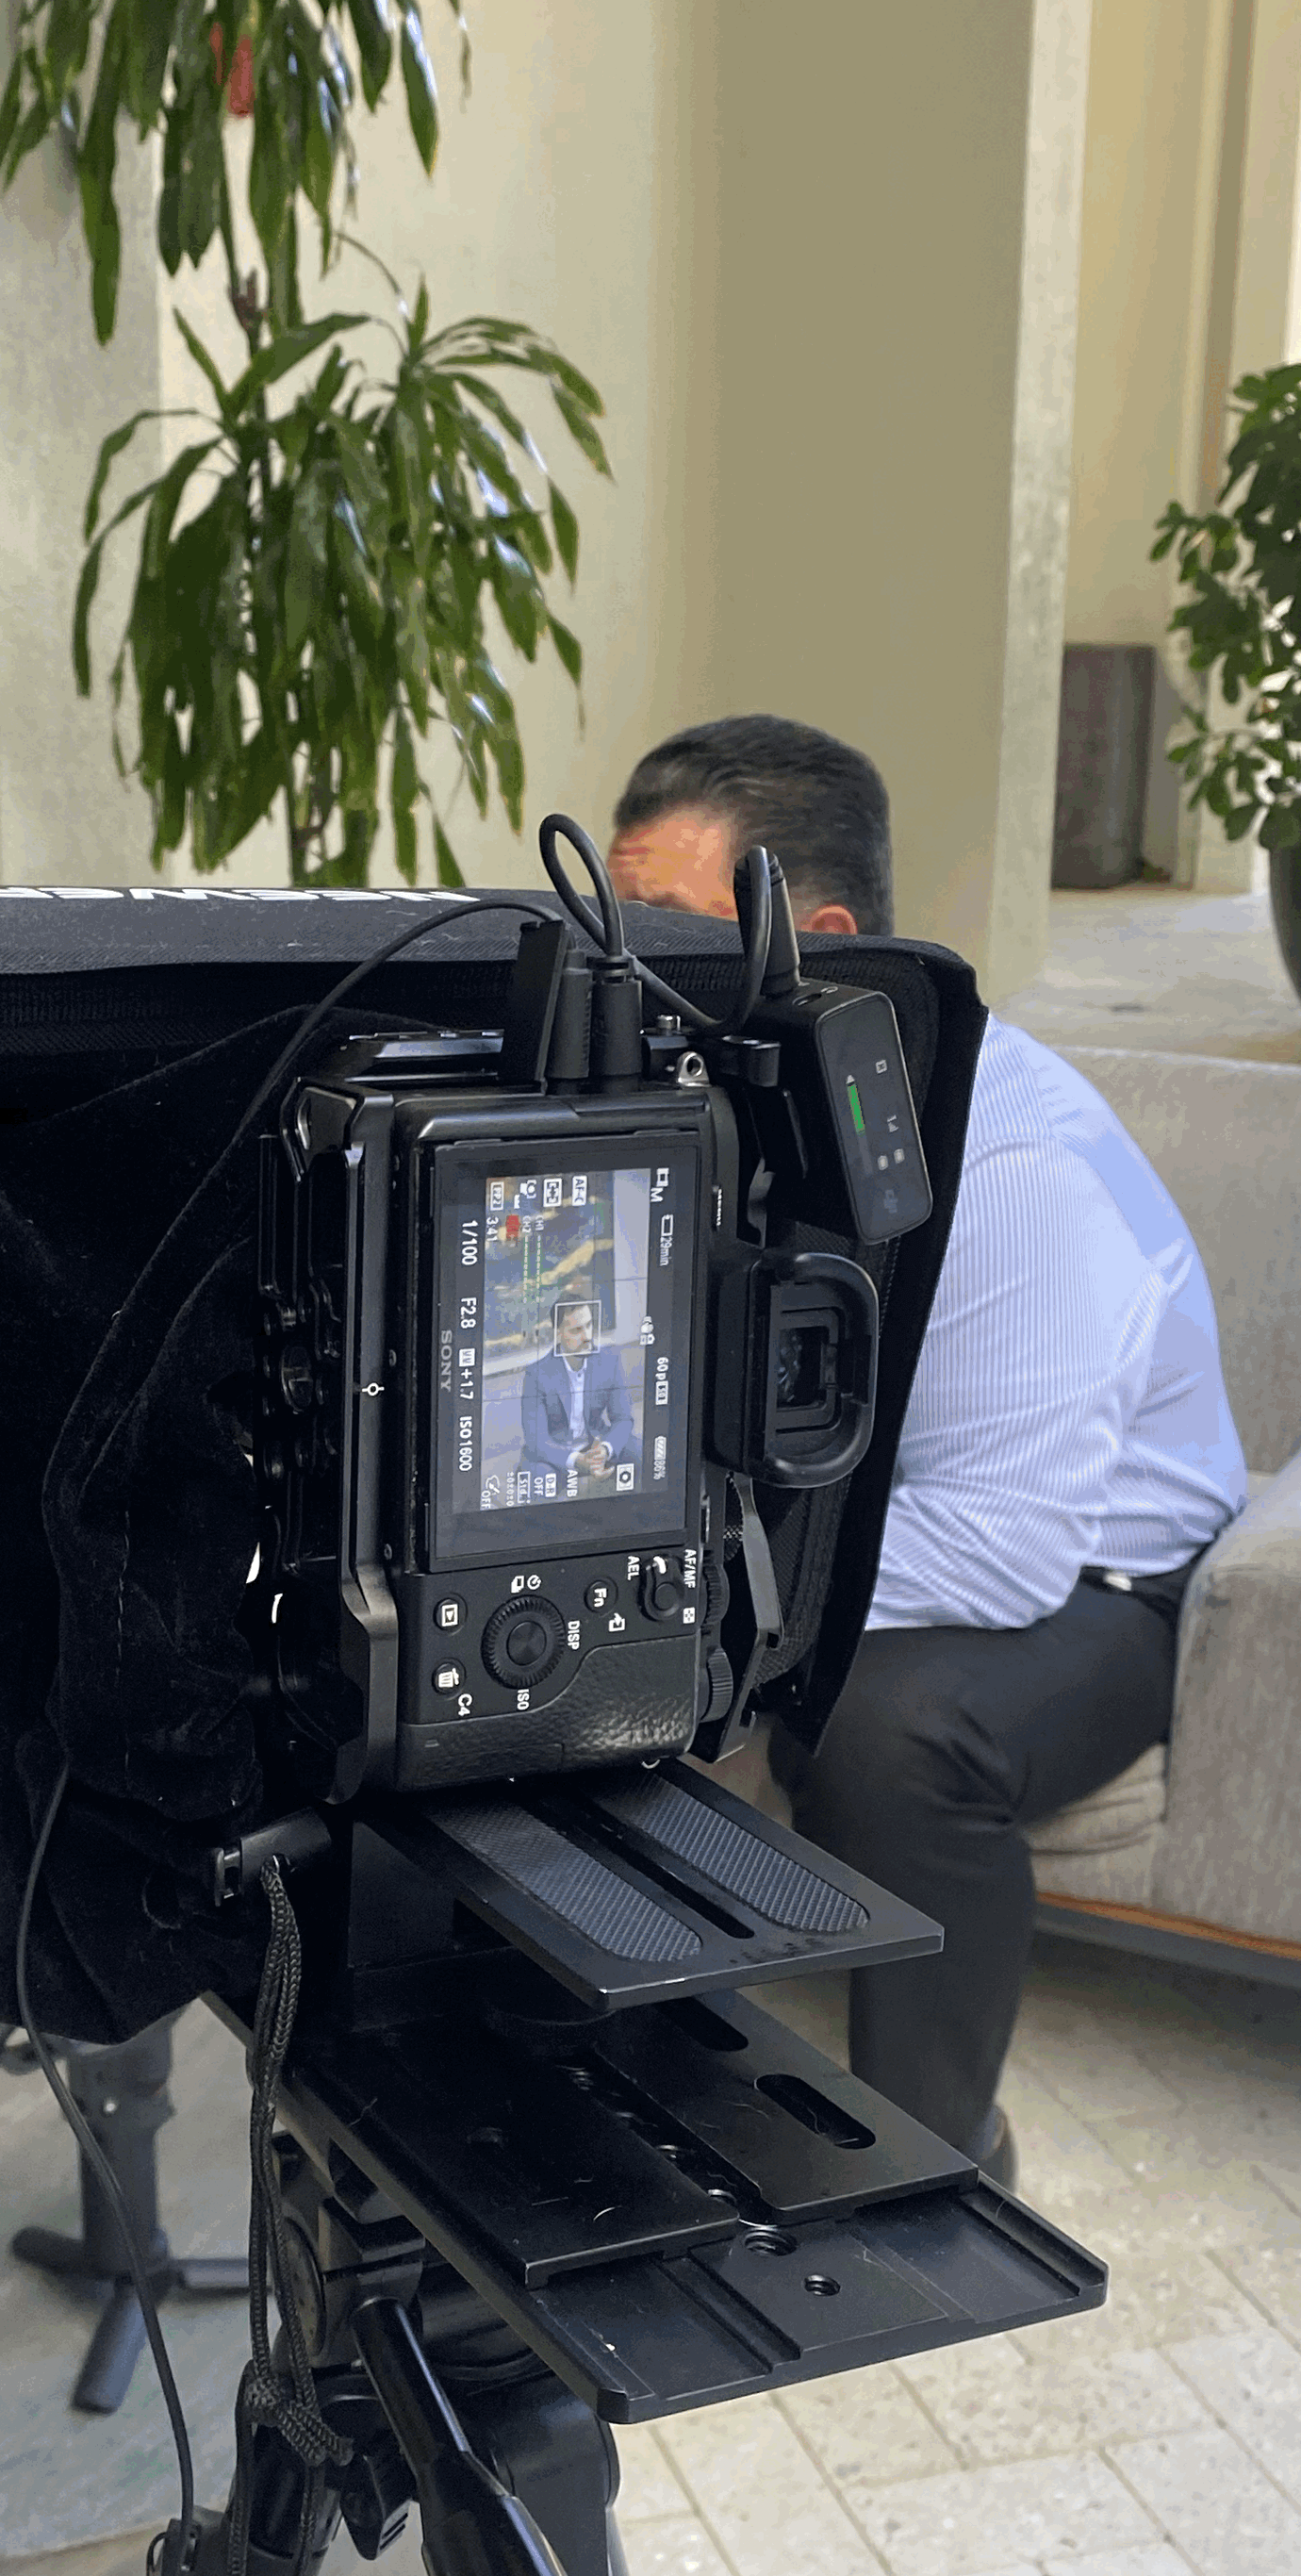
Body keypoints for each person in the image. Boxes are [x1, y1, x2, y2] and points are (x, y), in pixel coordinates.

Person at [608, 714, 1247, 2184]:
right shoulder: (716, 1093)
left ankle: (940, 2153)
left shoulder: (1007, 1167)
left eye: (666, 927)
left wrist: (711, 1602)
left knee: (884, 1734)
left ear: (816, 939)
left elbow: (1006, 1545)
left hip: (1097, 1579)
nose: (623, 961)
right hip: (844, 1507)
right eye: (611, 915)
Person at [518, 1295, 638, 1495]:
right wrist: (578, 1461)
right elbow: (536, 1439)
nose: (587, 1336)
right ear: (558, 1334)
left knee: (641, 1451)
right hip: (555, 1453)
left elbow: (623, 1418)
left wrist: (605, 1450)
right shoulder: (537, 1375)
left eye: (589, 1325)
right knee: (539, 1481)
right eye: (577, 1330)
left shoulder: (609, 1361)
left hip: (595, 1444)